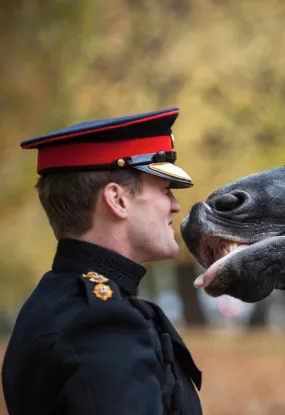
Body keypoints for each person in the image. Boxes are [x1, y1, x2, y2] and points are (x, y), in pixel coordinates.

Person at [2, 108, 203, 414]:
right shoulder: (101, 324)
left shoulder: (59, 301)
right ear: (117, 200)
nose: (175, 206)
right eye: (165, 190)